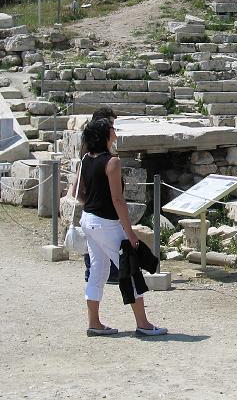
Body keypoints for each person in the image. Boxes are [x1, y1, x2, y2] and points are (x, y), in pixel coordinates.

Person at [77, 118, 166, 337]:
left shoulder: (86, 158)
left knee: (97, 270)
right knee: (130, 271)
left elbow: (80, 192)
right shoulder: (113, 162)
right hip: (106, 224)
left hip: (88, 219)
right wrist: (130, 232)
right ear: (105, 134)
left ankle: (94, 322)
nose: (114, 130)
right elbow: (118, 199)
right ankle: (143, 324)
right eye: (111, 128)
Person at [71, 107, 120, 284]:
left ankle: (95, 274)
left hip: (91, 209)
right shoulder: (96, 153)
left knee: (95, 250)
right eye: (111, 124)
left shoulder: (89, 144)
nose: (113, 128)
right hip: (100, 208)